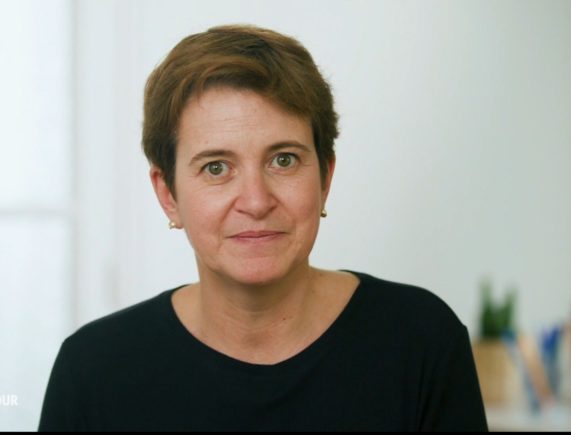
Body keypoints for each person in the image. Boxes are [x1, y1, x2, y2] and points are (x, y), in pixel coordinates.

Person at [38, 24, 488, 431]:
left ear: (325, 178)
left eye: (283, 160)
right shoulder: (92, 371)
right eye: (216, 167)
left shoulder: (421, 341)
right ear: (168, 194)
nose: (255, 201)